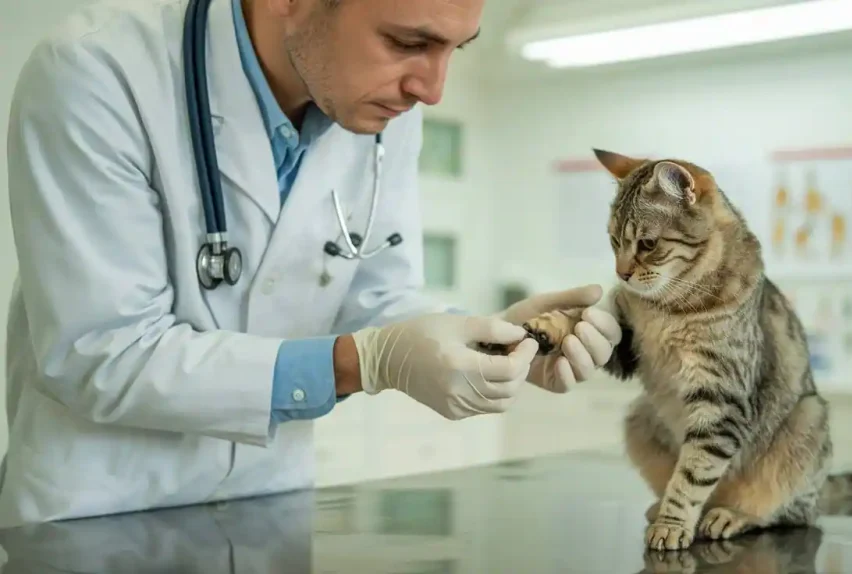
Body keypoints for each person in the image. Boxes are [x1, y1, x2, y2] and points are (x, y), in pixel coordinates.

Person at [0, 0, 622, 527]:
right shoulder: (97, 74)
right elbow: (101, 351)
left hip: (267, 504)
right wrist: (360, 363)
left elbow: (378, 295)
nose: (431, 90)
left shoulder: (384, 113)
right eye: (408, 43)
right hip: (104, 515)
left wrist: (491, 342)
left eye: (455, 49)